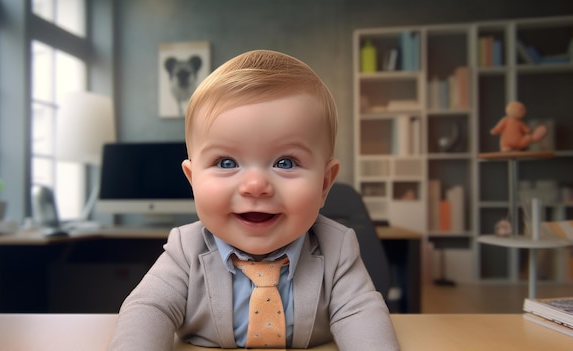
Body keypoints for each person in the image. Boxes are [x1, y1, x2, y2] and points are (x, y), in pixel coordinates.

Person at [108, 50, 399, 350]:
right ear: (193, 181)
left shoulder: (336, 248)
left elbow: (360, 313)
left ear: (324, 183)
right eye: (226, 162)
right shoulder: (185, 250)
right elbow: (148, 308)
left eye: (285, 162)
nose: (256, 186)